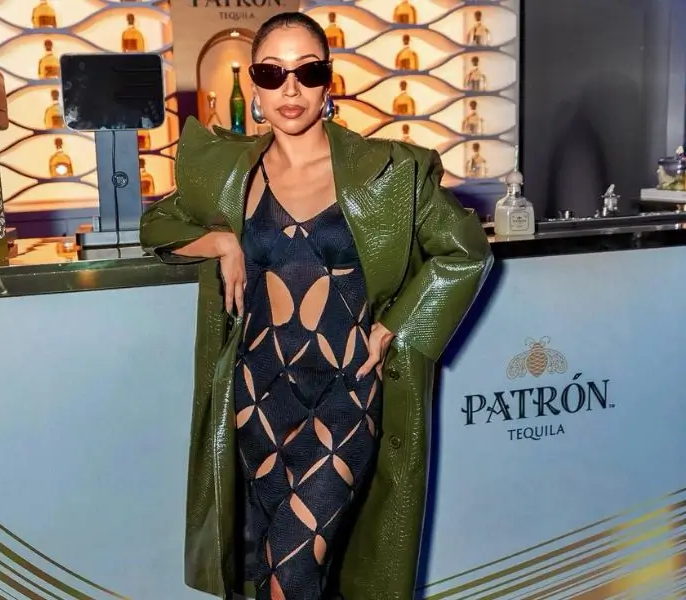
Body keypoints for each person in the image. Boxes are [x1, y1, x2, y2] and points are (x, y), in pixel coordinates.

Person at [140, 12, 492, 600]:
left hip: (345, 399)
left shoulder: (389, 170)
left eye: (307, 72)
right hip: (257, 401)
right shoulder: (230, 172)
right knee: (273, 575)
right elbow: (157, 224)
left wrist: (398, 325)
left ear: (329, 81)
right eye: (271, 73)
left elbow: (466, 251)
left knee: (291, 576)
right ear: (254, 85)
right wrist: (221, 241)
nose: (290, 89)